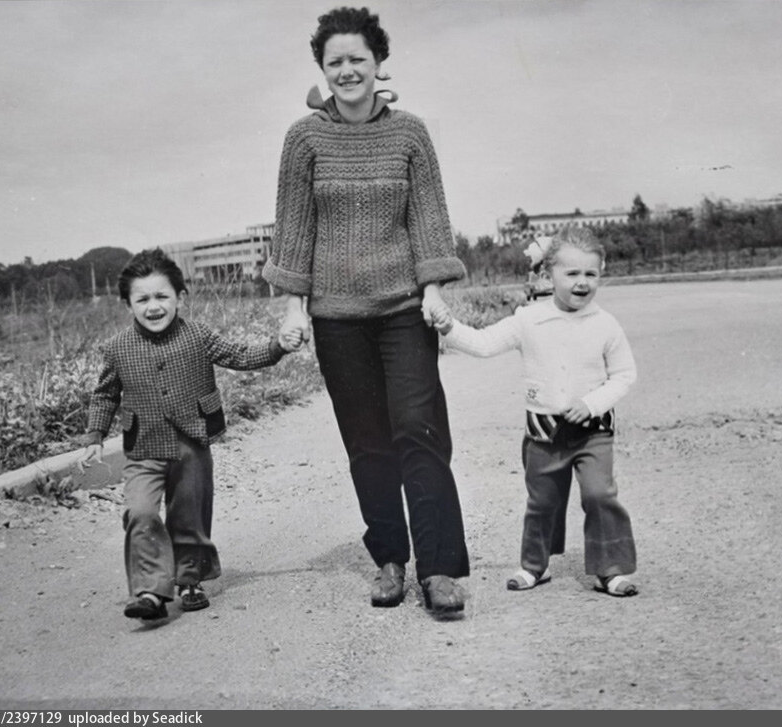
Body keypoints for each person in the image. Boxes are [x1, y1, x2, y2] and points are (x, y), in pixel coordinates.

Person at [262, 6, 471, 615]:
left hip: (404, 309)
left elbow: (428, 218)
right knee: (368, 443)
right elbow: (294, 229)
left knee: (419, 431)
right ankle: (390, 560)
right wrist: (295, 308)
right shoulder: (304, 138)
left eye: (358, 58)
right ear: (323, 70)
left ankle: (439, 568)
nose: (347, 70)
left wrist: (434, 290)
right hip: (336, 319)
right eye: (336, 62)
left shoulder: (410, 134)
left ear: (379, 63)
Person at [79, 248, 303, 620]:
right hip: (144, 447)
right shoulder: (117, 348)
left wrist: (278, 346)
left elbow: (240, 355)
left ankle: (189, 580)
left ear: (180, 297)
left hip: (192, 443)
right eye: (142, 299)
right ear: (128, 304)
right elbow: (105, 395)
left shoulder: (198, 335)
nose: (154, 306)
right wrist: (94, 436)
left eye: (162, 296)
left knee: (189, 515)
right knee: (140, 512)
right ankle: (150, 590)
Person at [430, 226, 640, 597]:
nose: (581, 282)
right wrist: (449, 328)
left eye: (590, 274)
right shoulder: (528, 320)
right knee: (543, 502)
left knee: (599, 495)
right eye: (571, 273)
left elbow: (625, 375)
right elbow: (484, 343)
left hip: (593, 433)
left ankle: (610, 569)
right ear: (547, 274)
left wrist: (592, 403)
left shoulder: (606, 325)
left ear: (601, 274)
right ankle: (534, 566)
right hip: (543, 434)